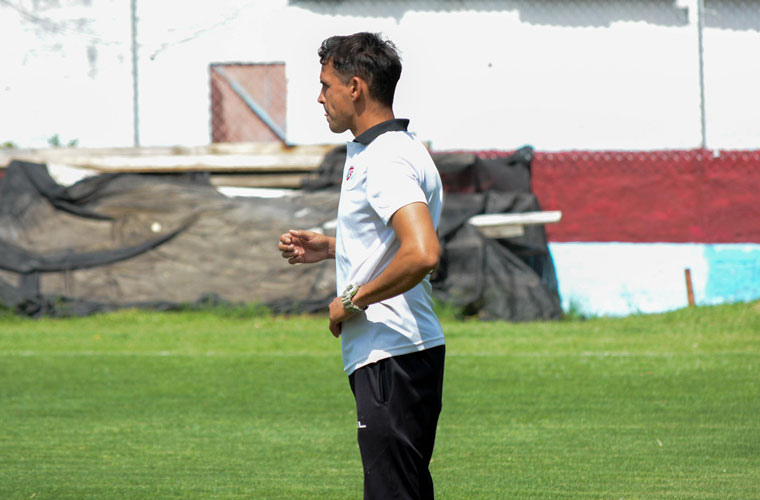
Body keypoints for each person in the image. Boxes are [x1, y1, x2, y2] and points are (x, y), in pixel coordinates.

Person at [278, 32, 445, 500]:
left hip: (392, 352)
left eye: (325, 85)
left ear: (355, 88)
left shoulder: (386, 157)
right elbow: (396, 245)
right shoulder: (393, 148)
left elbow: (422, 252)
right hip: (400, 353)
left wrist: (352, 300)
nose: (320, 97)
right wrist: (335, 247)